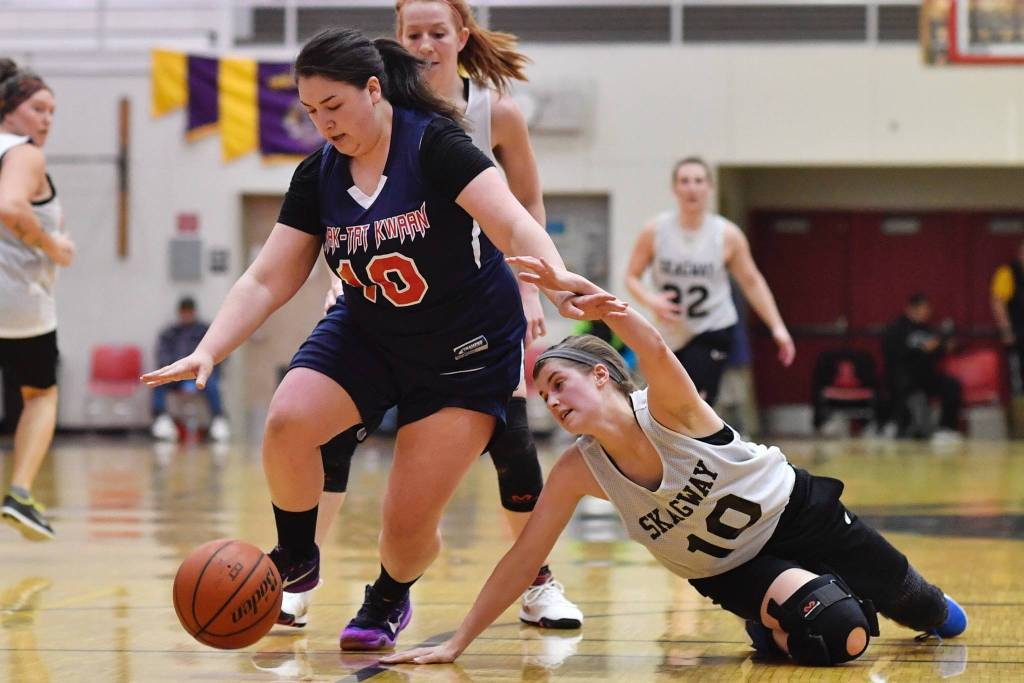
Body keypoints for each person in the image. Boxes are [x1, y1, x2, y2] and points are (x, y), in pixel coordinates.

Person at [141, 28, 608, 652]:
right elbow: (266, 277)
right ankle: (298, 554)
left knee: (406, 524)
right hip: (369, 328)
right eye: (310, 113)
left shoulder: (436, 144)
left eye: (333, 107)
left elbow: (513, 223)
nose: (323, 123)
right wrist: (210, 348)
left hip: (464, 349)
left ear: (373, 89)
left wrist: (553, 280)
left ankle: (389, 593)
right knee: (287, 421)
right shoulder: (319, 174)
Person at [382, 256, 967, 668]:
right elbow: (524, 558)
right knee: (840, 634)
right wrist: (457, 641)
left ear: (601, 374)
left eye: (560, 383)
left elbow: (654, 343)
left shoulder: (667, 408)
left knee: (933, 614)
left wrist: (574, 287)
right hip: (731, 571)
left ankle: (850, 600)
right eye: (545, 396)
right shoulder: (578, 470)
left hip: (797, 513)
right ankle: (804, 610)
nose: (554, 402)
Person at [280, 0, 581, 632]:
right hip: (382, 293)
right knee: (319, 433)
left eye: (436, 32)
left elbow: (523, 208)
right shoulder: (359, 121)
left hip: (476, 305)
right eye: (411, 32)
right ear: (395, 40)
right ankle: (298, 576)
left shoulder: (487, 113)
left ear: (461, 36)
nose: (424, 43)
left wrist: (535, 291)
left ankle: (537, 581)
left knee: (513, 445)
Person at [625, 157, 794, 406]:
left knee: (696, 401)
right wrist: (652, 300)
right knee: (663, 403)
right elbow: (631, 276)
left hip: (712, 326)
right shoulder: (655, 231)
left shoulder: (727, 234)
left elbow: (752, 281)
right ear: (675, 189)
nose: (692, 187)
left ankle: (697, 441)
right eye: (685, 181)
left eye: (698, 181)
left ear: (709, 188)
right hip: (670, 329)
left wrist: (777, 326)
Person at [0, 59, 74, 541]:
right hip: (17, 301)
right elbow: (9, 205)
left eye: (52, 111)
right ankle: (21, 492)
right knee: (41, 394)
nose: (46, 120)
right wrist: (55, 246)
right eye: (37, 108)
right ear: (8, 111)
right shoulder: (24, 154)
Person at [881, 293, 962, 441]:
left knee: (952, 386)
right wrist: (921, 350)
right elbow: (894, 353)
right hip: (904, 376)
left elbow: (936, 351)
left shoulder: (928, 330)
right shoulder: (897, 328)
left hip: (926, 375)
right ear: (911, 309)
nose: (926, 312)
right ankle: (894, 424)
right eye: (923, 309)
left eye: (927, 309)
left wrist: (945, 347)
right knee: (904, 387)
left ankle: (946, 428)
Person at [150, 296, 230, 442]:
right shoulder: (169, 333)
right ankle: (161, 418)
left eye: (189, 312)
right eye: (184, 312)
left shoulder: (205, 331)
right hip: (177, 374)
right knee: (157, 381)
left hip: (200, 374)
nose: (186, 315)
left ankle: (219, 419)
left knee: (212, 384)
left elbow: (219, 352)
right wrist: (175, 368)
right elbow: (162, 355)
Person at [991, 241, 1024, 394]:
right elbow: (998, 302)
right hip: (1018, 334)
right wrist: (1006, 330)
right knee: (1018, 379)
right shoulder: (1008, 273)